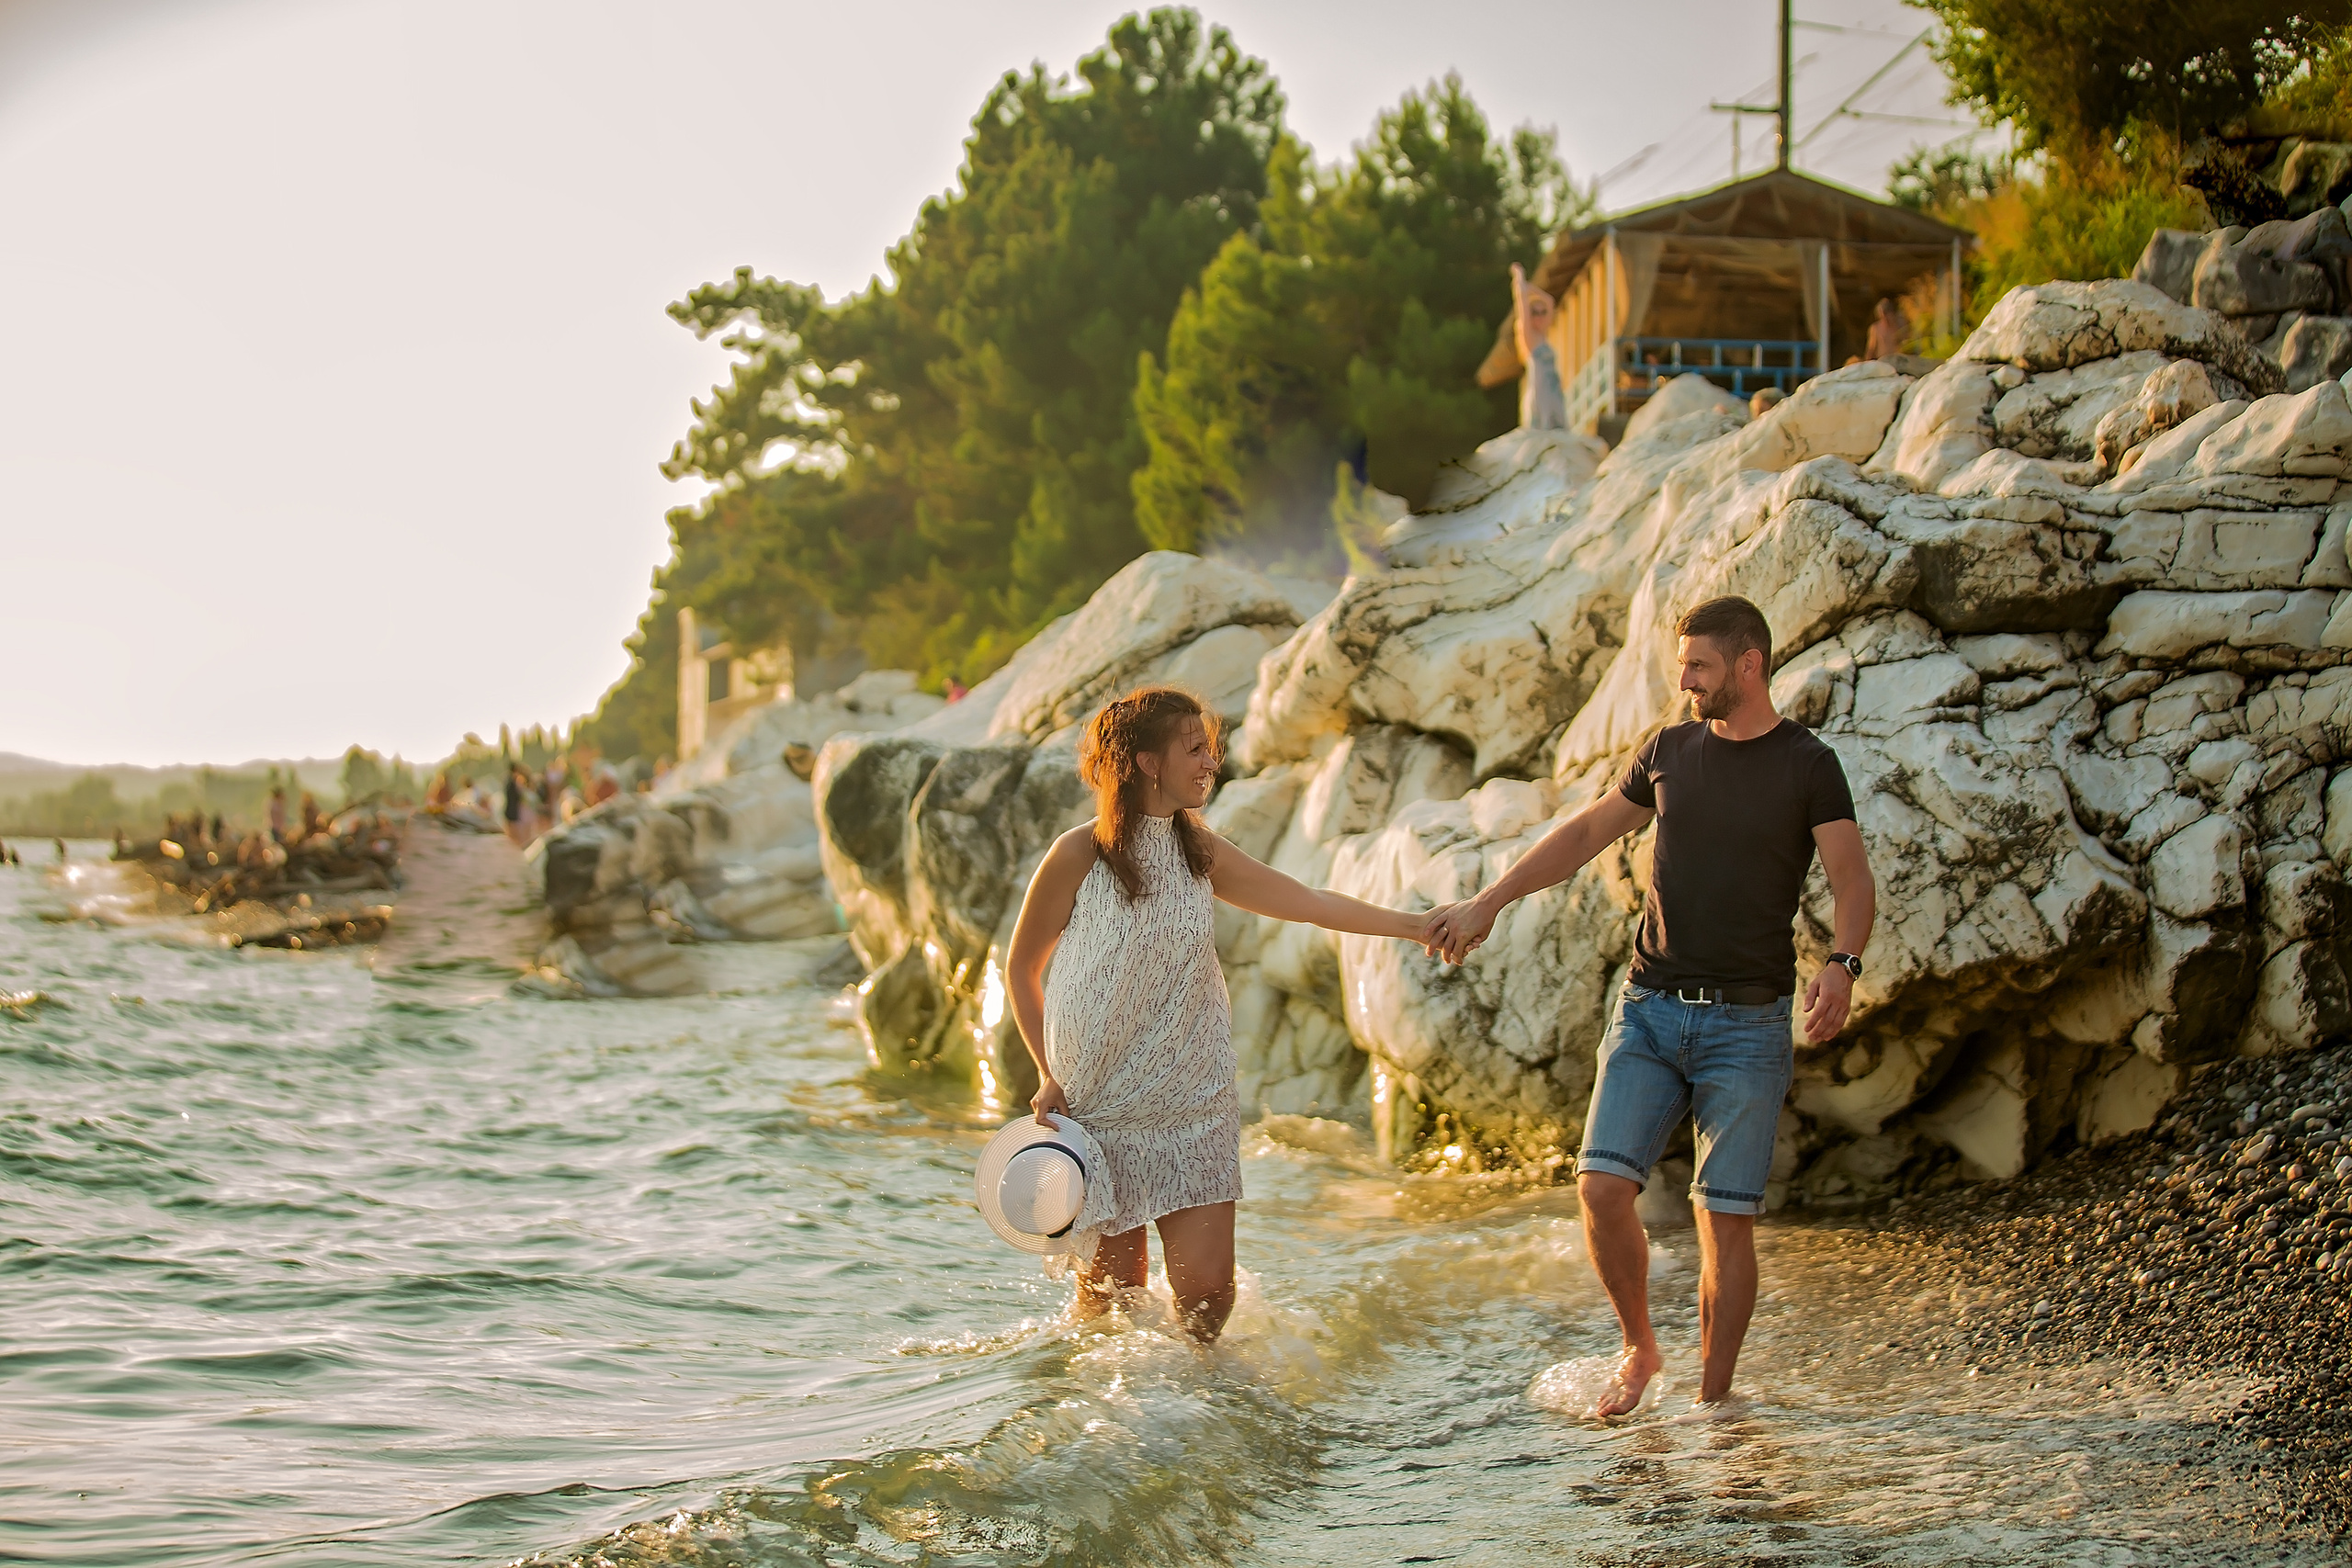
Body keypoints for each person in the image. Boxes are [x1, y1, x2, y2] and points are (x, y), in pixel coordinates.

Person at [1419, 596, 1875, 1416]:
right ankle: (1639, 1346)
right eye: (1682, 665)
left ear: (1749, 664)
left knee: (1722, 1221)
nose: (1685, 680)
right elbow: (1584, 832)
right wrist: (1489, 901)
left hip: (1750, 1023)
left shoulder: (1809, 764)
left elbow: (1852, 877)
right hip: (1650, 1009)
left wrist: (1841, 964)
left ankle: (1714, 1403)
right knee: (1599, 1188)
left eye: (1699, 666)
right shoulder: (1668, 750)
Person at [1003, 686, 1428, 1344]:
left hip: (1192, 1096)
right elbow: (1022, 968)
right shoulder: (1079, 854)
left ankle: (1197, 1404)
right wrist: (1046, 1072)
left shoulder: (1200, 849)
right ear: (1147, 761)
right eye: (1194, 748)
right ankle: (1111, 1428)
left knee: (1208, 1296)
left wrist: (1418, 925)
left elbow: (1309, 901)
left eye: (1211, 748)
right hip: (1098, 1102)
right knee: (1114, 1304)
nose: (1211, 762)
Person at [1510, 262, 1566, 431]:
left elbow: (1549, 301)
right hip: (1540, 391)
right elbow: (1521, 303)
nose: (1540, 316)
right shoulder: (1530, 338)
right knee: (1543, 427)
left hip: (1553, 389)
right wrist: (1519, 279)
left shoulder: (1543, 336)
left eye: (1542, 313)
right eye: (1535, 312)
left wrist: (1530, 288)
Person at [1866, 297, 1906, 361]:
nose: (1885, 319)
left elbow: (1907, 343)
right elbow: (1871, 348)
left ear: (1892, 313)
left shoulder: (1900, 326)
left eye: (1887, 314)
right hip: (1882, 361)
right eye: (1882, 316)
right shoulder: (1875, 328)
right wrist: (1867, 362)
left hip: (1898, 360)